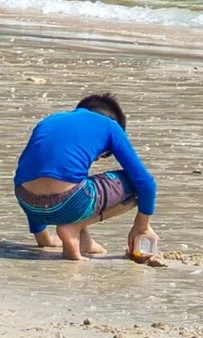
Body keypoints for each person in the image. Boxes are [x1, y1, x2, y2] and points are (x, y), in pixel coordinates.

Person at [13, 91, 160, 263]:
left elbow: (33, 170)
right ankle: (74, 227)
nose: (98, 158)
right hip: (69, 202)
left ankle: (80, 239)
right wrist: (141, 226)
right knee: (135, 185)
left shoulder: (49, 120)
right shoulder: (110, 126)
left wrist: (43, 238)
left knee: (62, 177)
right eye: (105, 155)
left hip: (27, 202)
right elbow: (147, 183)